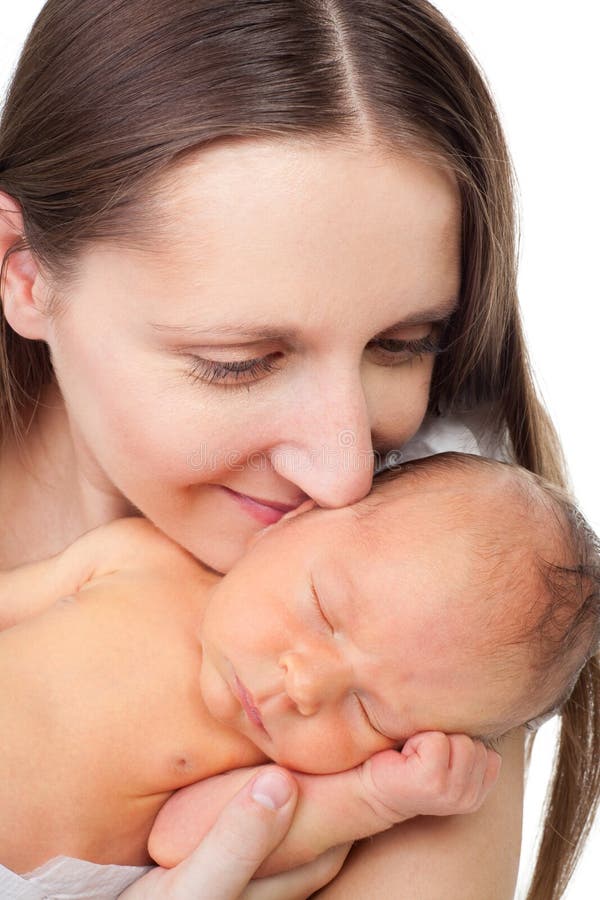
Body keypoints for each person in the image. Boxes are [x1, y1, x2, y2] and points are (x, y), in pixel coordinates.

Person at [0, 1, 598, 897]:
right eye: (238, 363)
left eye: (403, 344)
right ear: (24, 271)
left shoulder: (452, 588)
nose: (346, 469)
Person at [1, 452, 597, 895]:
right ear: (292, 520)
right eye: (322, 610)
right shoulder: (140, 556)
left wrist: (370, 796)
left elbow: (181, 844)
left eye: (369, 712)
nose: (306, 686)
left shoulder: (274, 774)